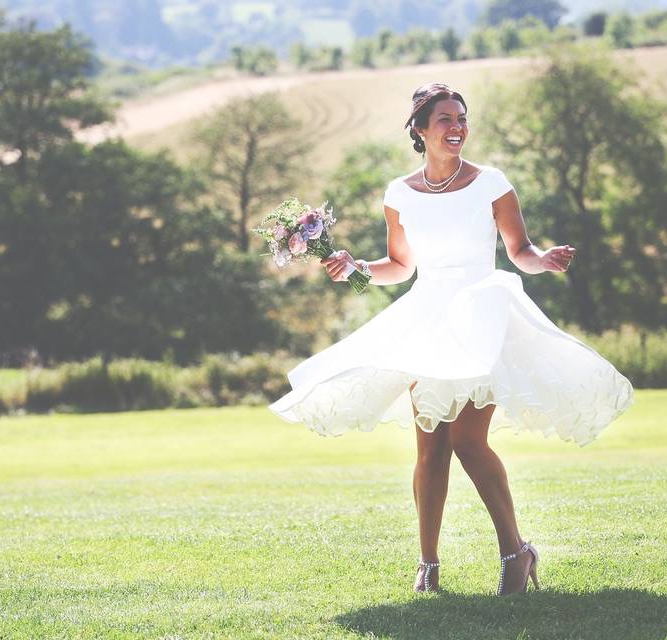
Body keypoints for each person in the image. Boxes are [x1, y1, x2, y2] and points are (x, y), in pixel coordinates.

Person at [269, 82, 634, 596]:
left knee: (467, 440)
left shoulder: (491, 184)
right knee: (430, 450)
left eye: (461, 117)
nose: (457, 126)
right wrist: (354, 268)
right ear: (420, 129)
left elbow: (519, 249)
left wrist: (543, 260)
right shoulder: (399, 194)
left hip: (482, 311)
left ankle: (516, 552)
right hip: (428, 316)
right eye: (444, 118)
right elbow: (399, 266)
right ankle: (428, 567)